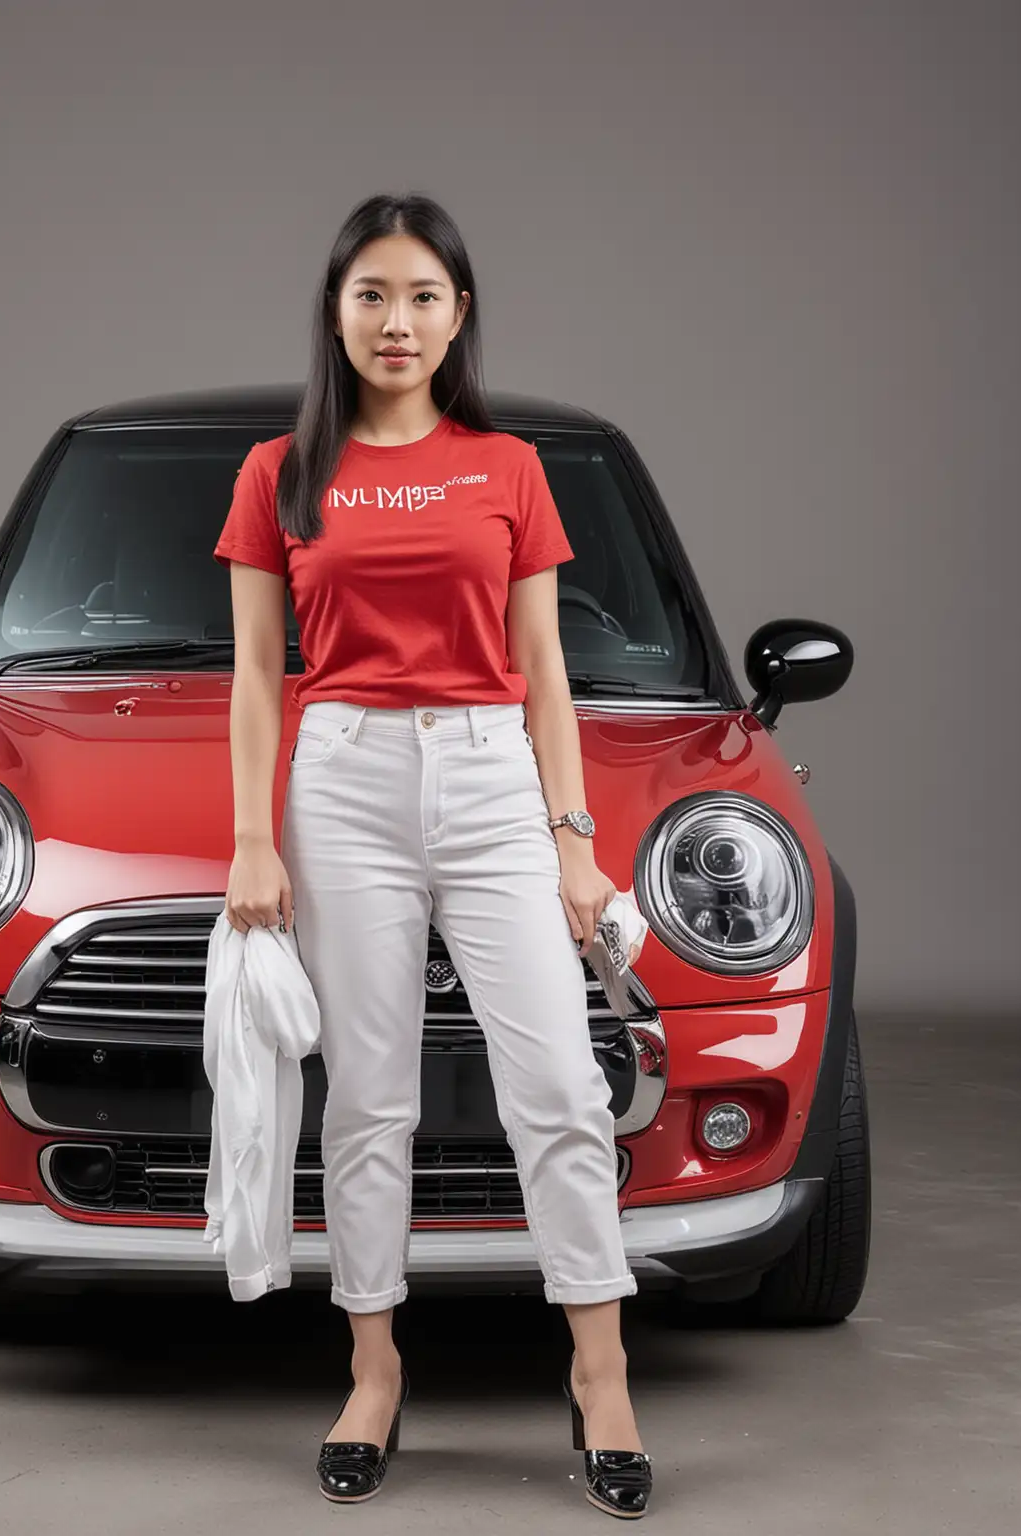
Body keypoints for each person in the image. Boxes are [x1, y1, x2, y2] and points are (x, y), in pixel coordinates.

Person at [212, 190, 652, 1519]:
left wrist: (575, 842)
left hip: (486, 775)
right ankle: (374, 1369)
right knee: (369, 1101)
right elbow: (252, 678)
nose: (395, 321)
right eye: (371, 295)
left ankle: (603, 1378)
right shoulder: (280, 471)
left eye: (422, 297)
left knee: (562, 1089)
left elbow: (546, 676)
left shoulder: (507, 467)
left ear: (459, 315)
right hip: (340, 776)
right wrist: (249, 839)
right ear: (335, 311)